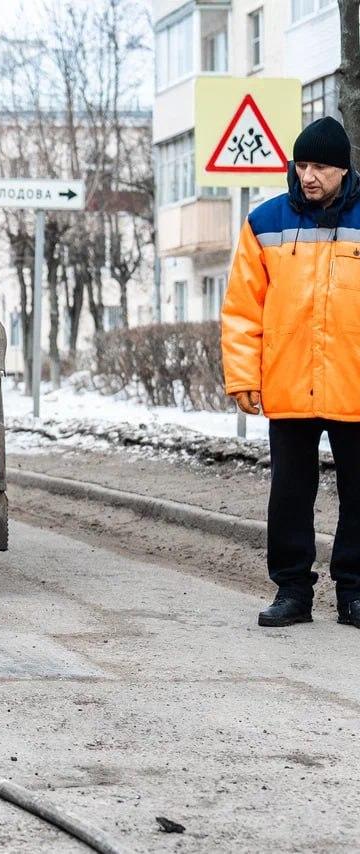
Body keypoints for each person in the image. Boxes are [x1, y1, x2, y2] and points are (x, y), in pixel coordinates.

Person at [222, 115, 360, 629]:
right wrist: (243, 377)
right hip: (288, 384)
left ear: (343, 170)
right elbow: (242, 310)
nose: (308, 175)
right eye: (302, 164)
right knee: (289, 498)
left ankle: (355, 594)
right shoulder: (265, 223)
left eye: (320, 166)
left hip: (355, 386)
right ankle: (292, 591)